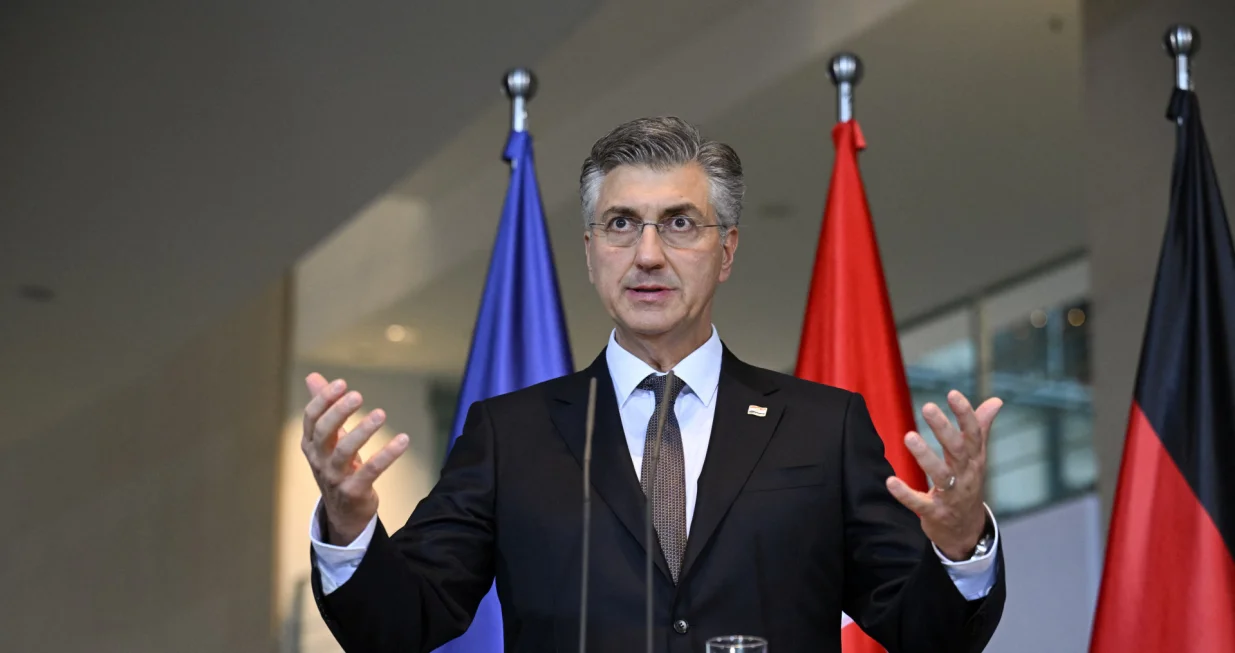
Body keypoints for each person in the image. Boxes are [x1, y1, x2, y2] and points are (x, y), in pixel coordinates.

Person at [301, 117, 1005, 653]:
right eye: (620, 224)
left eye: (679, 224)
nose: (646, 254)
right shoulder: (509, 435)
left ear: (725, 250)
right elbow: (401, 622)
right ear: (590, 253)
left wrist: (959, 543)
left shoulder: (823, 427)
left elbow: (926, 632)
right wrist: (347, 525)